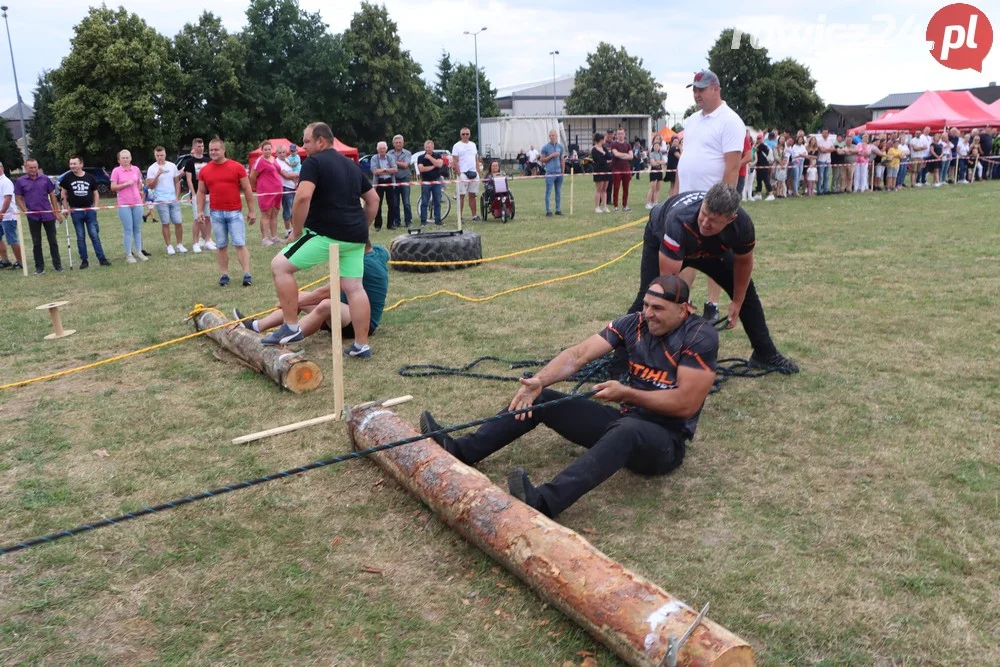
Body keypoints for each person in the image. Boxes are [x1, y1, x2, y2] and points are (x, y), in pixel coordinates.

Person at [419, 274, 718, 519]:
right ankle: (462, 450)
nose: (648, 314)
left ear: (683, 310)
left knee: (627, 430)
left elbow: (685, 405)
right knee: (543, 398)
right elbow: (577, 356)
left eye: (658, 309)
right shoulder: (633, 323)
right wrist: (539, 380)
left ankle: (544, 502)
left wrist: (628, 393)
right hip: (625, 420)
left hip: (664, 441)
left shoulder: (699, 337)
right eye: (646, 305)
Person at [628, 183, 799, 373]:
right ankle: (623, 357)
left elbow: (743, 264)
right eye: (704, 214)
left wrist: (737, 300)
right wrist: (684, 309)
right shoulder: (679, 220)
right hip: (664, 236)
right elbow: (667, 283)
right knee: (652, 297)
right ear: (703, 203)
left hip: (711, 250)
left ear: (730, 219)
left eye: (714, 220)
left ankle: (765, 354)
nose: (705, 222)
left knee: (747, 294)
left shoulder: (742, 225)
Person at [267, 122, 379, 358]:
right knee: (354, 288)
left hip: (325, 233)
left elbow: (302, 197)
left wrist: (296, 232)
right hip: (356, 236)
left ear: (320, 141)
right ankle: (361, 345)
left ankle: (290, 326)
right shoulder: (351, 166)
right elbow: (374, 200)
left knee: (279, 266)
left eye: (306, 141)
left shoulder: (313, 163)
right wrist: (360, 228)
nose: (302, 146)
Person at [676, 69, 746, 325]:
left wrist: (723, 210)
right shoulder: (691, 121)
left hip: (711, 204)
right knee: (684, 257)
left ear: (716, 89)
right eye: (694, 89)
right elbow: (684, 161)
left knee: (715, 257)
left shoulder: (730, 121)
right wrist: (674, 196)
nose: (696, 94)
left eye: (701, 89)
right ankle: (679, 303)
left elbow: (732, 167)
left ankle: (713, 304)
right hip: (686, 201)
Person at [237, 240, 389, 341]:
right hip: (345, 310)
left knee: (326, 304)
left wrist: (294, 303)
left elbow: (326, 292)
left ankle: (290, 336)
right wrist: (295, 301)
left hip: (361, 323)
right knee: (300, 296)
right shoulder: (378, 251)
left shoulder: (361, 264)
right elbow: (387, 253)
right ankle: (256, 326)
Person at [196, 138, 257, 287]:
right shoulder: (205, 170)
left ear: (224, 150)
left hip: (234, 213)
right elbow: (201, 191)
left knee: (239, 243)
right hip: (216, 214)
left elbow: (247, 189)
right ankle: (224, 274)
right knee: (221, 245)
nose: (213, 152)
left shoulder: (236, 167)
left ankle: (247, 274)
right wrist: (199, 211)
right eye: (211, 150)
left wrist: (252, 210)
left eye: (216, 149)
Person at [59, 156, 110, 268]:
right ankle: (84, 261)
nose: (72, 166)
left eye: (74, 163)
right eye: (71, 164)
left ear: (81, 164)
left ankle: (102, 259)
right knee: (80, 236)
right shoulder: (67, 178)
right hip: (76, 211)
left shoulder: (90, 177)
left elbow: (96, 193)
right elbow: (63, 194)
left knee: (94, 234)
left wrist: (95, 207)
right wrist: (65, 207)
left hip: (89, 210)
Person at [15, 159, 64, 274]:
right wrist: (25, 211)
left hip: (48, 215)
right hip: (33, 216)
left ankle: (57, 265)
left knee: (53, 241)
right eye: (31, 167)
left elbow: (52, 196)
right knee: (36, 243)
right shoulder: (20, 181)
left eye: (35, 167)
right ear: (25, 168)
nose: (33, 170)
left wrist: (56, 212)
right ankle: (39, 267)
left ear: (38, 167)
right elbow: (19, 198)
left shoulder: (45, 179)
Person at [108, 150, 148, 264]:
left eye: (127, 157)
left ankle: (139, 251)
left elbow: (139, 182)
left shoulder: (136, 169)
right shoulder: (116, 171)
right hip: (124, 203)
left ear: (131, 158)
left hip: (137, 202)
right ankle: (129, 254)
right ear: (119, 160)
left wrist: (139, 190)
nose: (125, 160)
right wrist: (125, 184)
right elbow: (113, 187)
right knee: (128, 229)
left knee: (137, 228)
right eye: (123, 158)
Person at [146, 146, 186, 255]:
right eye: (157, 155)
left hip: (173, 199)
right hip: (160, 200)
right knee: (165, 223)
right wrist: (157, 175)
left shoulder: (172, 166)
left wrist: (177, 197)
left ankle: (179, 244)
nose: (160, 157)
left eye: (162, 155)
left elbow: (177, 182)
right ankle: (169, 246)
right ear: (155, 155)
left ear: (165, 154)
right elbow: (150, 186)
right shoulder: (152, 168)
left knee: (178, 222)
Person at [184, 138, 216, 253]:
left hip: (208, 194)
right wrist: (193, 194)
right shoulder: (189, 162)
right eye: (198, 146)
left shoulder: (208, 161)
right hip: (197, 194)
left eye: (202, 146)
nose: (201, 148)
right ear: (193, 147)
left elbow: (212, 177)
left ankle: (207, 240)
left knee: (208, 218)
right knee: (197, 219)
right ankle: (196, 243)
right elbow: (189, 179)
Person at [249, 140, 284, 245]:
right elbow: (252, 176)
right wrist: (257, 187)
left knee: (274, 214)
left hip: (277, 191)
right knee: (266, 214)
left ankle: (274, 237)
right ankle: (265, 239)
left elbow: (278, 172)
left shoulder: (274, 159)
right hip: (266, 192)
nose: (267, 151)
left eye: (269, 149)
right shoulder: (259, 161)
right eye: (265, 149)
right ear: (262, 150)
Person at [452, 128, 482, 222]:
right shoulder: (457, 146)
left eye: (467, 134)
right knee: (461, 195)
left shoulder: (473, 145)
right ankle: (459, 217)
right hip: (463, 173)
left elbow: (476, 159)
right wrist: (459, 173)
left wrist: (477, 171)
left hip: (473, 172)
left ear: (470, 134)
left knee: (472, 195)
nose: (465, 135)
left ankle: (474, 215)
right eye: (463, 134)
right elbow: (455, 161)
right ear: (461, 135)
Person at [0, 161, 23, 270]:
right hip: (2, 214)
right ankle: (5, 260)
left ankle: (20, 262)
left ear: (2, 168)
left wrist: (2, 212)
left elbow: (7, 198)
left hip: (8, 215)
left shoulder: (6, 182)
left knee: (12, 239)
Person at [370, 141, 397, 231]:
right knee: (378, 204)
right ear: (377, 149)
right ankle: (378, 225)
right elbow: (374, 171)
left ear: (386, 149)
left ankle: (391, 224)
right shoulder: (374, 158)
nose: (382, 150)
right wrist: (387, 170)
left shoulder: (390, 157)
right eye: (380, 148)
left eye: (383, 148)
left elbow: (395, 169)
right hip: (379, 182)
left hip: (389, 181)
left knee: (391, 204)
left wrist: (382, 170)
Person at [275, 144, 300, 238]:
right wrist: (299, 174)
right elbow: (286, 175)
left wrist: (294, 175)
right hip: (285, 188)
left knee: (294, 210)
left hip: (293, 188)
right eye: (280, 153)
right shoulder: (277, 163)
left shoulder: (288, 160)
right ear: (276, 153)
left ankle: (295, 230)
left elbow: (291, 173)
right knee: (287, 210)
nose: (282, 154)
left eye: (284, 152)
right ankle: (287, 231)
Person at [417, 140, 444, 226]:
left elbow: (439, 165)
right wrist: (433, 166)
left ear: (433, 147)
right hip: (425, 181)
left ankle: (438, 220)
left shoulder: (437, 155)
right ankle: (423, 221)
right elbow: (421, 169)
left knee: (437, 202)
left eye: (429, 147)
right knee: (424, 202)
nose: (427, 149)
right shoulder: (420, 157)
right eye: (426, 147)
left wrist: (430, 158)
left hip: (436, 180)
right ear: (424, 147)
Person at [539, 129, 565, 217]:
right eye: (550, 135)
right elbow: (542, 160)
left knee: (558, 192)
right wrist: (551, 156)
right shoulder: (545, 147)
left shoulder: (560, 147)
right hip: (550, 173)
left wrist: (563, 171)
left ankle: (558, 209)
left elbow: (562, 159)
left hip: (558, 173)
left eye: (553, 135)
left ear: (556, 136)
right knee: (548, 192)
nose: (551, 137)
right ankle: (548, 210)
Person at [390, 135, 413, 228]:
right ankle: (397, 221)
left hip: (405, 179)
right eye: (396, 143)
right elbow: (388, 165)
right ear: (393, 144)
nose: (398, 144)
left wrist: (394, 162)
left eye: (400, 142)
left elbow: (405, 165)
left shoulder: (407, 153)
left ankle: (408, 221)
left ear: (403, 143)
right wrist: (400, 163)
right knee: (395, 203)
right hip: (394, 179)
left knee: (406, 202)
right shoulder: (389, 153)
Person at [608, 128, 633, 212]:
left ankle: (625, 205)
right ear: (616, 135)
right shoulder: (614, 144)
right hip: (616, 169)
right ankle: (615, 206)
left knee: (626, 188)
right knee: (616, 187)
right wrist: (626, 155)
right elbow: (616, 154)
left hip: (626, 169)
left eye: (622, 133)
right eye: (619, 134)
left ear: (624, 134)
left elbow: (631, 156)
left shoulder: (628, 145)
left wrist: (622, 155)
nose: (620, 135)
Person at [591, 132, 610, 213]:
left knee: (604, 189)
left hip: (606, 169)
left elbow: (609, 156)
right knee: (599, 189)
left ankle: (605, 206)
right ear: (601, 140)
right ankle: (597, 207)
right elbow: (599, 160)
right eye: (604, 139)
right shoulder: (594, 149)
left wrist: (604, 153)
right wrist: (603, 155)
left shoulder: (604, 148)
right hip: (598, 170)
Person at [752, 134, 774, 200]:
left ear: (763, 139)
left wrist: (755, 143)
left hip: (764, 165)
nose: (759, 140)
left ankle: (771, 194)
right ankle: (759, 194)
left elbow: (754, 149)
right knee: (758, 180)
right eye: (758, 139)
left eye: (760, 138)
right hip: (759, 165)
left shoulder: (763, 146)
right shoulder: (761, 145)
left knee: (766, 179)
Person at [646, 135, 665, 209]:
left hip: (659, 171)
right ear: (653, 147)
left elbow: (664, 162)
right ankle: (648, 203)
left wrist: (658, 162)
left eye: (658, 146)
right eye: (655, 146)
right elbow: (653, 163)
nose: (656, 147)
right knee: (652, 188)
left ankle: (655, 202)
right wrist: (659, 162)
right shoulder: (652, 154)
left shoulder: (660, 154)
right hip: (653, 171)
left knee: (658, 188)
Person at [815, 128, 835, 194]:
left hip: (828, 160)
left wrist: (826, 150)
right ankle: (819, 190)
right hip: (821, 160)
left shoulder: (830, 141)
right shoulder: (819, 141)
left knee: (826, 176)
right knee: (820, 176)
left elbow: (833, 149)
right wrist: (828, 150)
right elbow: (822, 150)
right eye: (823, 133)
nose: (824, 134)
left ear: (828, 133)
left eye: (826, 133)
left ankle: (825, 190)